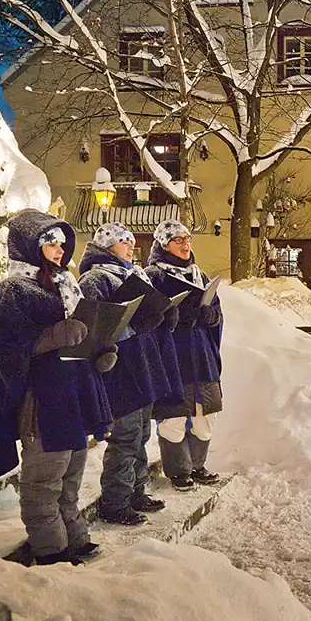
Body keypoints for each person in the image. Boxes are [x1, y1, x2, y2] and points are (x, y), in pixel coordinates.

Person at [0, 209, 117, 566]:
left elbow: (78, 334)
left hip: (74, 397)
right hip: (43, 404)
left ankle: (75, 539)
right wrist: (51, 337)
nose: (59, 248)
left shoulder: (65, 282)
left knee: (70, 478)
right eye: (49, 241)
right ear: (28, 245)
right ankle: (51, 551)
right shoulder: (13, 290)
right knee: (42, 485)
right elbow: (5, 351)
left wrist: (97, 351)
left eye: (61, 241)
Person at [79, 222, 175, 526]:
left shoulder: (134, 273)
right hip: (120, 367)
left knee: (142, 434)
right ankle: (115, 503)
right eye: (124, 242)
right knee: (126, 437)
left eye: (132, 241)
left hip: (143, 362)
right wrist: (134, 324)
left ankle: (136, 492)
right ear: (107, 247)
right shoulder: (95, 278)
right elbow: (95, 326)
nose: (131, 246)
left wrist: (164, 313)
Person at [147, 220, 223, 490]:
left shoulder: (199, 275)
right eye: (177, 239)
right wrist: (176, 319)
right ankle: (178, 470)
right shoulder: (153, 276)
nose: (185, 243)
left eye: (187, 238)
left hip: (202, 359)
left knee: (205, 415)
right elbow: (148, 320)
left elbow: (217, 313)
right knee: (173, 417)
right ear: (164, 244)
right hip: (173, 359)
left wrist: (210, 316)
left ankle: (197, 465)